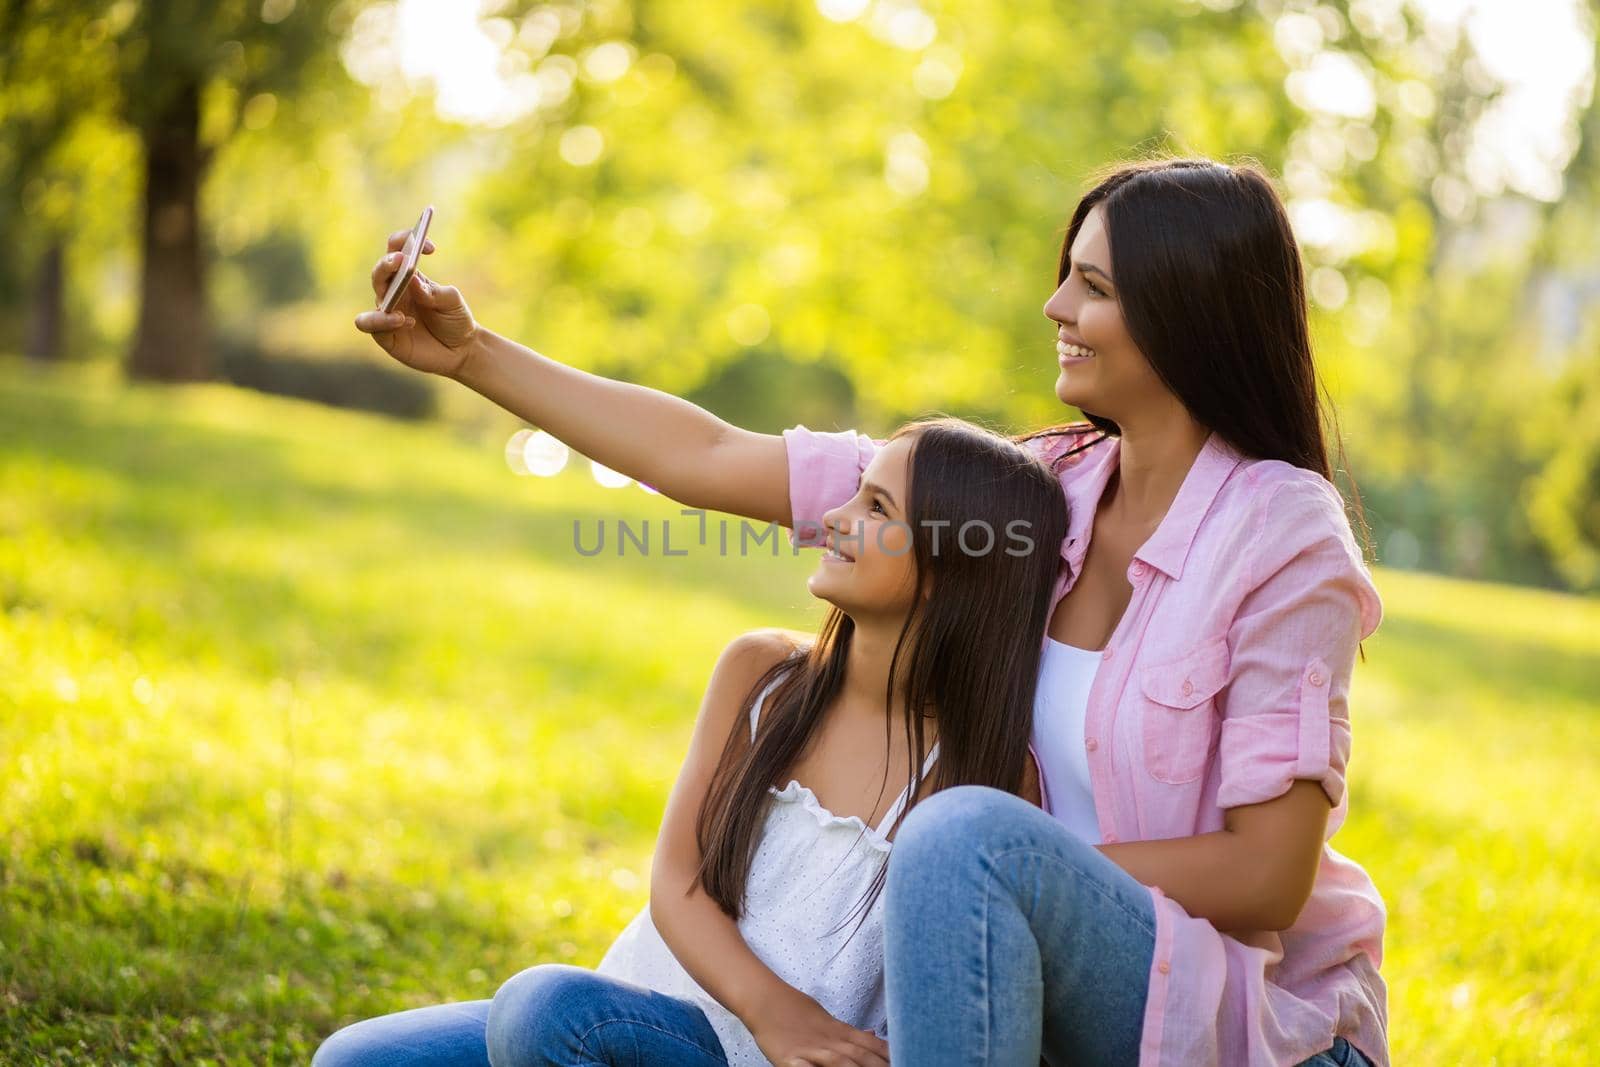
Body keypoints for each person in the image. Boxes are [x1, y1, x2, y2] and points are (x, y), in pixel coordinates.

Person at [339, 154, 1388, 1067]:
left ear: (1185, 311)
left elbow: (1267, 873)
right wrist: (472, 354)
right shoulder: (1040, 489)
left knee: (960, 833)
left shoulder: (1281, 533)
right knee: (369, 1056)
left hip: (1241, 1019)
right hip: (1000, 957)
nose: (1054, 306)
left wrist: (1002, 880)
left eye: (1092, 284)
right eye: (1065, 274)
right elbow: (707, 457)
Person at [312, 418, 1068, 1066]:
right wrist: (773, 1009)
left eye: (875, 504)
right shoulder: (764, 677)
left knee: (543, 1008)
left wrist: (796, 1034)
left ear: (951, 564)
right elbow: (676, 882)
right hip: (646, 1012)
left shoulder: (984, 784)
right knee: (352, 1057)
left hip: (750, 1056)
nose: (832, 516)